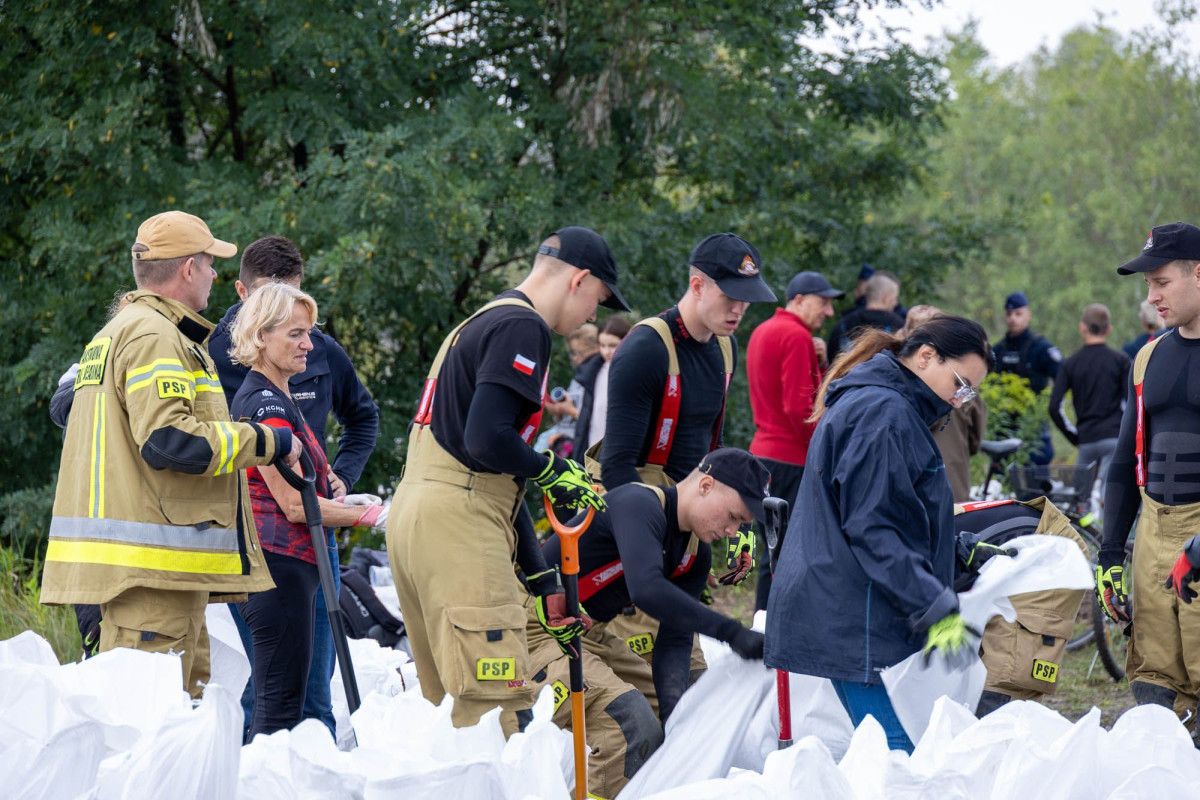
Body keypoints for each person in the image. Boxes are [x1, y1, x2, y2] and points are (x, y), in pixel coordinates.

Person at [39, 210, 301, 698]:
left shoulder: (117, 333)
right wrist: (268, 441)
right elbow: (169, 441)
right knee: (151, 733)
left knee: (174, 730)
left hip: (149, 574)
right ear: (187, 270)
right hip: (149, 578)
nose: (215, 275)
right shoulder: (155, 337)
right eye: (209, 263)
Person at [386, 226, 629, 736]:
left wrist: (541, 581)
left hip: (420, 514)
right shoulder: (524, 327)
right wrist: (553, 470)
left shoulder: (480, 321)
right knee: (497, 712)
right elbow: (487, 440)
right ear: (578, 280)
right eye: (597, 301)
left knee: (448, 714)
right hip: (458, 522)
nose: (592, 316)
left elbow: (495, 474)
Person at [765, 315, 992, 753]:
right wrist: (933, 603)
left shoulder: (892, 407)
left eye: (970, 391)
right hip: (850, 612)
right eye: (960, 383)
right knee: (896, 755)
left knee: (890, 752)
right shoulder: (882, 413)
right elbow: (873, 526)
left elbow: (898, 511)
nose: (962, 401)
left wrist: (961, 551)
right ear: (926, 356)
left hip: (854, 606)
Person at [211, 235, 380, 739]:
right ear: (257, 324)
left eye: (308, 330)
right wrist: (371, 516)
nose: (308, 342)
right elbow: (288, 500)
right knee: (277, 692)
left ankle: (310, 775)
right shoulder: (229, 370)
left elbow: (360, 418)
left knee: (311, 687)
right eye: (294, 332)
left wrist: (339, 479)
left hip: (311, 538)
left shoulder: (311, 357)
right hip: (268, 544)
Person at [526, 449, 770, 798]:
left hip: (586, 634)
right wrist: (731, 632)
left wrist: (674, 717)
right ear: (705, 484)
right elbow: (646, 588)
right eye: (733, 516)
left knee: (690, 716)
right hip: (534, 629)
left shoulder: (693, 553)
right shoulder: (637, 503)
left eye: (741, 525)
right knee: (629, 722)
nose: (732, 531)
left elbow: (674, 641)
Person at [591, 232, 775, 674]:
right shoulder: (646, 348)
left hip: (689, 508)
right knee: (639, 672)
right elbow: (616, 466)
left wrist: (739, 521)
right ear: (697, 286)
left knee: (688, 675)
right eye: (731, 296)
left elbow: (714, 451)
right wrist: (653, 552)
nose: (740, 310)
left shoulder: (725, 347)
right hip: (637, 518)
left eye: (748, 300)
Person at [1098, 222, 1200, 735]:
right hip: (1154, 533)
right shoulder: (1149, 355)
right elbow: (1123, 455)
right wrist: (1109, 552)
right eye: (1147, 286)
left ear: (1199, 273)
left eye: (1162, 282)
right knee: (1155, 683)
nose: (1152, 296)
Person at [746, 270, 844, 610]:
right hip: (791, 459)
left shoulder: (764, 330)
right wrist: (827, 449)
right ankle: (774, 631)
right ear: (799, 300)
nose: (828, 312)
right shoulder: (795, 336)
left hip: (764, 455)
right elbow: (799, 409)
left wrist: (819, 364)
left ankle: (765, 627)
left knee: (774, 552)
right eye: (823, 303)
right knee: (789, 554)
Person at [1047, 303, 1130, 514]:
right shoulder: (1120, 361)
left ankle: (1085, 539)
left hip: (1086, 439)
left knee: (1080, 502)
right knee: (1110, 494)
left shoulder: (1071, 364)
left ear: (1082, 328)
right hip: (1114, 438)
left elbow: (1054, 406)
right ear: (1108, 329)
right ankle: (1110, 539)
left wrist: (1074, 437)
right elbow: (1131, 404)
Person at [904, 305, 988, 503]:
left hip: (910, 492)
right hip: (952, 484)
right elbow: (976, 439)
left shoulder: (893, 382)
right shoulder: (962, 379)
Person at [992, 291, 1061, 465]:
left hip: (1033, 423)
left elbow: (1063, 375)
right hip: (1005, 424)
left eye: (1018, 314)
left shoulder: (1040, 348)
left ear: (1028, 315)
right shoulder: (998, 350)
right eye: (1009, 314)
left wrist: (1052, 404)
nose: (1013, 318)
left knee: (1036, 477)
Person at [538, 324, 601, 457]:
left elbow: (599, 424)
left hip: (579, 442)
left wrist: (569, 411)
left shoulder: (598, 378)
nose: (574, 358)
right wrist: (558, 411)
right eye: (571, 353)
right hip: (562, 434)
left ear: (596, 348)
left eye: (577, 353)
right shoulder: (579, 376)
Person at [573, 315, 631, 457]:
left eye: (612, 345)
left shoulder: (634, 370)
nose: (606, 351)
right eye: (602, 345)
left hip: (620, 451)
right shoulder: (591, 370)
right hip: (591, 449)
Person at [826, 272, 906, 357]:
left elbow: (831, 357)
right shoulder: (899, 327)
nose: (895, 303)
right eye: (894, 298)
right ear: (885, 298)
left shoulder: (843, 324)